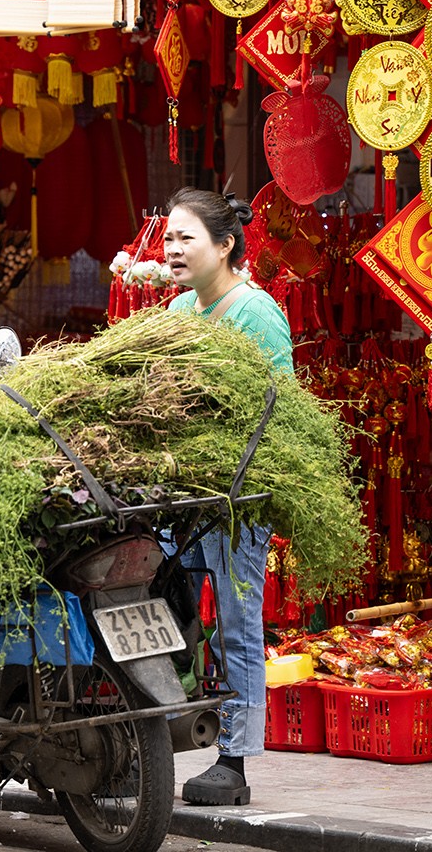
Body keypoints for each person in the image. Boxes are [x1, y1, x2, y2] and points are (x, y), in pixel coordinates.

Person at [163, 187, 293, 807]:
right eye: (168, 238)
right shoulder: (181, 314)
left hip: (239, 498)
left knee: (239, 625)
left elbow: (278, 413)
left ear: (225, 245)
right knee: (167, 607)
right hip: (181, 498)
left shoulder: (255, 313)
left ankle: (234, 762)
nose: (172, 249)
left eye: (186, 238)